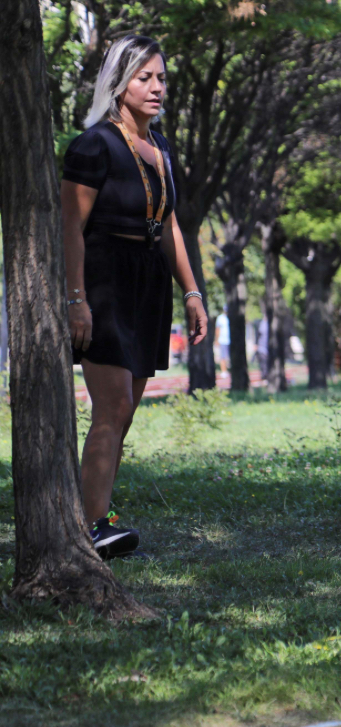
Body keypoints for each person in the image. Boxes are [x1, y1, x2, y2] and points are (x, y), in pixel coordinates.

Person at [62, 35, 208, 559]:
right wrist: (75, 299)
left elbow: (169, 221)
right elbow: (70, 228)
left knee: (124, 413)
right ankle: (93, 525)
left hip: (149, 283)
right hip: (103, 280)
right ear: (120, 83)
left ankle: (94, 516)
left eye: (162, 78)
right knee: (113, 403)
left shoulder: (161, 144)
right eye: (145, 77)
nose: (156, 87)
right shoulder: (92, 144)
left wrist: (191, 290)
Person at [215, 310, 230, 376]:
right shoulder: (220, 318)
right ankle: (224, 371)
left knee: (229, 357)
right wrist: (217, 340)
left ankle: (229, 370)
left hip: (230, 340)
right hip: (223, 340)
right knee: (223, 356)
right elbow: (218, 329)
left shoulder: (231, 317)